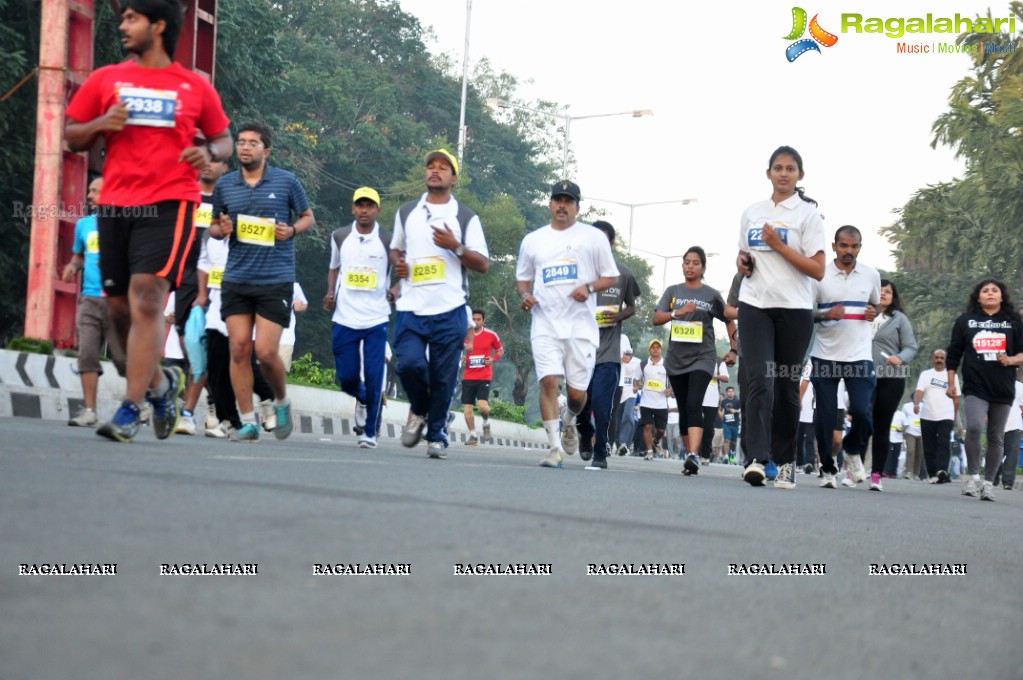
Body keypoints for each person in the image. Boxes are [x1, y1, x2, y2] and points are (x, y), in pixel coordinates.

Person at [64, 0, 232, 442]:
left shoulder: (192, 87)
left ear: (158, 26)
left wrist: (209, 154)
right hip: (118, 205)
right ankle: (160, 386)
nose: (122, 25)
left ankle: (129, 407)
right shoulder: (107, 79)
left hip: (171, 204)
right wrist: (103, 121)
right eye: (123, 19)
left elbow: (223, 139)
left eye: (131, 18)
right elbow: (72, 134)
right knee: (118, 309)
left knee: (146, 299)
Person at [209, 122, 315, 442]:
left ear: (266, 151)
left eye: (253, 143)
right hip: (237, 278)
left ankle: (281, 401)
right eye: (240, 142)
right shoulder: (225, 186)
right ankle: (247, 421)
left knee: (266, 353)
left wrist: (292, 230)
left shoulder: (286, 182)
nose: (244, 147)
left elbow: (308, 217)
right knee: (238, 350)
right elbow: (215, 226)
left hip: (274, 279)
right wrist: (222, 229)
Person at [736, 146, 826, 487]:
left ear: (799, 175)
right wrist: (742, 263)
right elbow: (743, 255)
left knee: (787, 385)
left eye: (790, 168)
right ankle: (756, 458)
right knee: (759, 379)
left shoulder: (807, 216)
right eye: (778, 168)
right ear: (768, 173)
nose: (784, 173)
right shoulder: (752, 212)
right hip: (755, 303)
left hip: (795, 309)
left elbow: (817, 270)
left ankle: (784, 459)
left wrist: (780, 245)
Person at [391, 149, 490, 459]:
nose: (435, 171)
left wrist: (455, 246)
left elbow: (483, 264)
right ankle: (419, 408)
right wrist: (400, 265)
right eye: (431, 167)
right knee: (407, 364)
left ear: (454, 178)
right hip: (411, 307)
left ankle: (436, 434)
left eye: (443, 168)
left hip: (449, 309)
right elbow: (396, 250)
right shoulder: (407, 212)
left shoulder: (464, 216)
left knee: (443, 377)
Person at [517, 180, 619, 469]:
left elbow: (611, 276)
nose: (562, 205)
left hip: (580, 328)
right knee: (548, 381)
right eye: (557, 199)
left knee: (576, 395)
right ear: (550, 204)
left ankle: (570, 419)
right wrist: (525, 295)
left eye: (568, 200)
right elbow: (523, 278)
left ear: (577, 206)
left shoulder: (592, 238)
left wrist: (588, 287)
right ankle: (554, 448)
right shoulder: (533, 240)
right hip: (545, 323)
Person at [653, 246, 735, 476]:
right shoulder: (673, 291)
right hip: (677, 359)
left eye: (695, 263)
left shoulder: (710, 295)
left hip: (703, 357)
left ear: (703, 267)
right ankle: (691, 456)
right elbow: (656, 318)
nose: (690, 266)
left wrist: (734, 348)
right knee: (685, 410)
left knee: (693, 404)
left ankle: (693, 454)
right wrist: (676, 313)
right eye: (686, 262)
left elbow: (728, 319)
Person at [810, 226, 881, 490]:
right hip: (825, 356)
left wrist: (874, 311)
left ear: (860, 247)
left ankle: (851, 451)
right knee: (826, 417)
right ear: (834, 247)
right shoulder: (820, 274)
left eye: (854, 246)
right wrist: (825, 315)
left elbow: (876, 304)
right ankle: (828, 469)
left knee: (863, 412)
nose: (848, 251)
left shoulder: (871, 275)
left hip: (860, 356)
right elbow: (807, 311)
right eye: (843, 246)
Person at [325, 187, 392, 448]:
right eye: (360, 205)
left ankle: (370, 433)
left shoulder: (388, 240)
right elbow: (334, 268)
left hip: (376, 319)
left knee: (375, 376)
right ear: (353, 208)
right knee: (346, 377)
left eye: (369, 205)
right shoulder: (340, 236)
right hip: (345, 317)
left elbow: (403, 270)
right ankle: (362, 397)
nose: (364, 210)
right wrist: (330, 292)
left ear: (377, 210)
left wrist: (396, 290)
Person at [945, 278, 1023, 502]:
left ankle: (989, 484)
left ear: (1002, 296)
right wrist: (951, 383)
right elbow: (953, 355)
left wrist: (1010, 360)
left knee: (996, 435)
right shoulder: (966, 321)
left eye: (994, 290)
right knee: (975, 426)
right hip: (975, 385)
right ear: (978, 296)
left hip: (1003, 386)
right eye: (985, 290)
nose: (990, 293)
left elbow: (1021, 353)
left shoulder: (1014, 322)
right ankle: (973, 478)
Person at [574, 221, 640, 469]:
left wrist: (618, 316)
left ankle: (600, 452)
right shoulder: (577, 272)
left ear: (611, 244)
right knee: (579, 402)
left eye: (602, 239)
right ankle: (584, 431)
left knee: (602, 406)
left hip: (608, 353)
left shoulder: (623, 274)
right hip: (580, 350)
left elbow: (632, 305)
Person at [62, 177, 127, 428]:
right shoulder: (84, 225)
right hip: (89, 299)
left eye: (94, 191)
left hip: (117, 300)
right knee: (87, 353)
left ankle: (140, 401)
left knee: (123, 358)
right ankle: (89, 410)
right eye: (88, 190)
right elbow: (79, 256)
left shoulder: (124, 225)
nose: (89, 195)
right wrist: (72, 267)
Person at [176, 158, 228, 435]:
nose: (208, 164)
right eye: (204, 158)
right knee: (189, 347)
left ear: (225, 168)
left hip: (220, 281)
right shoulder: (184, 195)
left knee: (207, 351)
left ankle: (190, 412)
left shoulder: (229, 199)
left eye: (215, 159)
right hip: (186, 277)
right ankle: (217, 399)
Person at [869, 278, 917, 487]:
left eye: (888, 291)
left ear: (893, 296)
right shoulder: (864, 314)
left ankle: (876, 474)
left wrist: (901, 357)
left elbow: (911, 347)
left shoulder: (899, 319)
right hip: (862, 374)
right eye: (879, 290)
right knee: (862, 419)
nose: (883, 293)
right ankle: (853, 468)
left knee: (881, 424)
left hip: (891, 377)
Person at [913, 350, 960, 484]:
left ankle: (942, 470)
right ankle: (933, 474)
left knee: (943, 443)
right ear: (932, 359)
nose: (939, 360)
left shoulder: (952, 376)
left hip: (946, 415)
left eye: (942, 358)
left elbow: (956, 398)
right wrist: (916, 403)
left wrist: (954, 416)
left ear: (945, 360)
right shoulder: (925, 375)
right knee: (929, 446)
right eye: (937, 358)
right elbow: (919, 391)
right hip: (927, 415)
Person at [460, 309, 504, 446]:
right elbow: (458, 350)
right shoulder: (464, 335)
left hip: (484, 376)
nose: (476, 322)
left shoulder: (491, 335)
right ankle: (473, 435)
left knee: (483, 407)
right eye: (473, 319)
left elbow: (500, 350)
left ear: (483, 321)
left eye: (479, 319)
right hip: (468, 376)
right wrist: (462, 358)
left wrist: (493, 358)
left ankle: (486, 423)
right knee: (467, 409)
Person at [636, 339, 669, 460]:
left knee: (661, 430)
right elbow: (637, 379)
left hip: (661, 403)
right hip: (646, 402)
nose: (655, 349)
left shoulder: (667, 364)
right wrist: (637, 385)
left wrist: (670, 390)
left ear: (661, 350)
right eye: (653, 347)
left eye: (658, 347)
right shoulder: (643, 364)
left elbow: (675, 381)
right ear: (649, 350)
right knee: (647, 427)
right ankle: (649, 451)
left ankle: (656, 440)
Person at [995, 369, 1023, 490]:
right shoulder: (997, 384)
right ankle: (998, 479)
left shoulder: (1020, 386)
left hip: (1013, 423)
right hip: (1000, 423)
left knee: (1008, 453)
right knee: (1002, 452)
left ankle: (1005, 481)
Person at [700, 357, 731, 465]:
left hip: (712, 400)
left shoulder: (718, 361)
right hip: (697, 398)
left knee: (708, 428)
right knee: (696, 426)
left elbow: (726, 378)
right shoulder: (696, 357)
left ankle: (705, 455)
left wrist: (715, 376)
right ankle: (694, 453)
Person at [615, 344, 641, 456]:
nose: (627, 355)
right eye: (625, 353)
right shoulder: (617, 360)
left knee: (628, 415)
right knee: (617, 419)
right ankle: (619, 444)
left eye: (629, 353)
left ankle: (625, 443)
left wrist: (637, 386)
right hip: (618, 392)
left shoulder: (638, 362)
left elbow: (642, 377)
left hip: (631, 393)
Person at [279, 283, 308, 373]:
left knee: (279, 371)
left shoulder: (294, 286)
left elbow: (304, 304)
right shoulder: (261, 282)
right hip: (263, 336)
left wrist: (300, 306)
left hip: (285, 337)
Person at [899, 400, 924, 479]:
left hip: (921, 433)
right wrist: (902, 430)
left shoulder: (924, 406)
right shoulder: (906, 406)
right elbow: (902, 417)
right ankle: (909, 472)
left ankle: (916, 474)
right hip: (910, 432)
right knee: (911, 451)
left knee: (919, 454)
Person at [721, 386, 742, 464]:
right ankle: (726, 456)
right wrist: (721, 415)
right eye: (729, 391)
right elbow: (720, 410)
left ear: (733, 392)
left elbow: (741, 410)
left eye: (732, 391)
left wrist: (735, 411)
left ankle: (732, 454)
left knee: (734, 442)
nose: (730, 393)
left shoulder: (737, 401)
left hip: (735, 424)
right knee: (727, 440)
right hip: (726, 423)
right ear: (727, 393)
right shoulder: (723, 401)